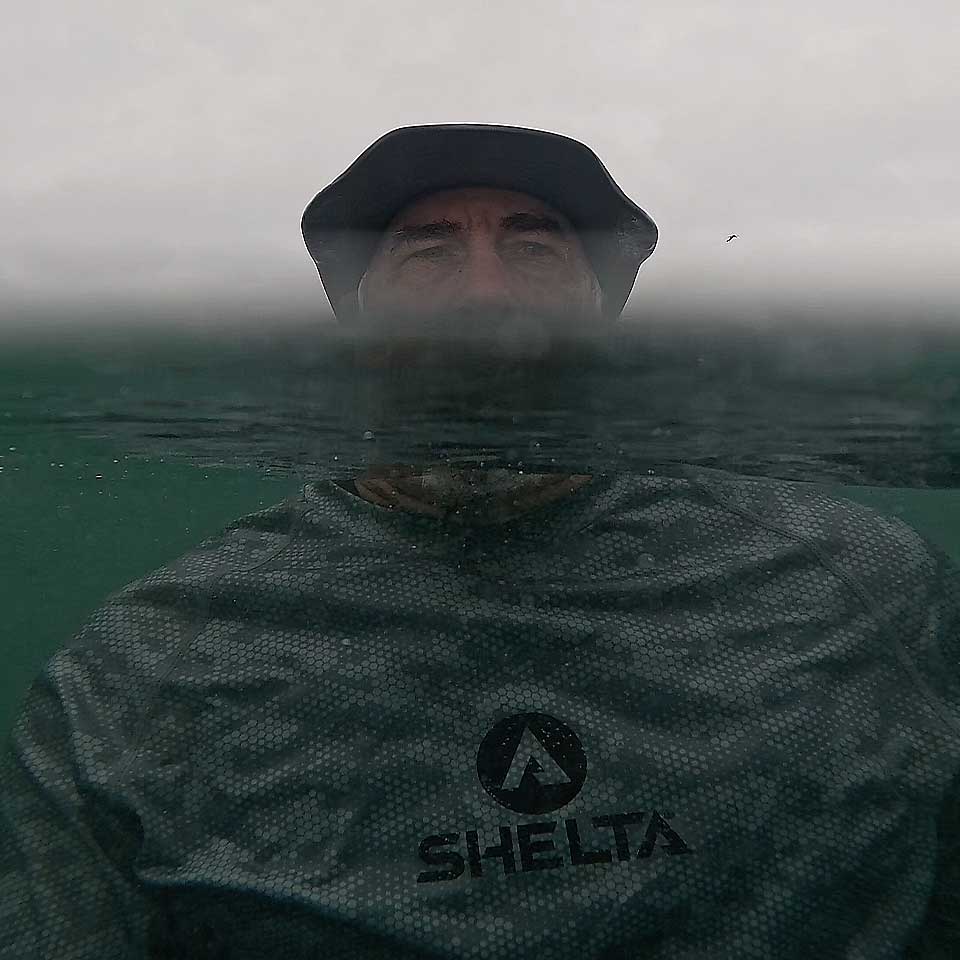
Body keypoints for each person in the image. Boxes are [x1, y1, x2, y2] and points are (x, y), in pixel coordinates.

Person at [1, 123, 959, 960]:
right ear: (355, 317)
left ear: (602, 309)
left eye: (537, 247)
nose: (485, 295)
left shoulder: (865, 586)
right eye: (427, 251)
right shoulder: (142, 671)